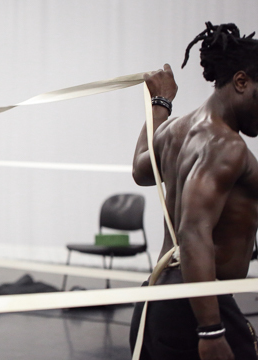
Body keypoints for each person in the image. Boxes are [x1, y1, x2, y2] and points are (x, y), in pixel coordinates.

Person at [129, 22, 258, 360]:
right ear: (241, 82)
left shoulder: (177, 129)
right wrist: (211, 331)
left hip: (160, 299)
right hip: (197, 307)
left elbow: (142, 169)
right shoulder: (225, 145)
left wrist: (160, 102)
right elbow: (193, 232)